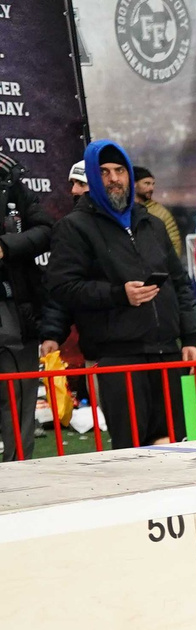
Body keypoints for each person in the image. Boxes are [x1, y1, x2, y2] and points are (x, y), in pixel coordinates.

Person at [46, 140, 196, 448]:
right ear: (92, 177)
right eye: (104, 172)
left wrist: (190, 337)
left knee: (173, 442)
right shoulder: (73, 227)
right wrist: (119, 294)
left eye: (120, 170)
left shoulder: (153, 224)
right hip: (117, 356)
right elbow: (62, 287)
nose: (114, 178)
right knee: (131, 450)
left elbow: (179, 283)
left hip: (167, 353)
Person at [0, 157, 52, 461]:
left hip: (13, 310)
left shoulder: (11, 181)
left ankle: (19, 478)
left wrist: (6, 246)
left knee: (19, 403)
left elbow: (46, 230)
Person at [129, 169, 187, 261]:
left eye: (153, 184)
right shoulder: (123, 211)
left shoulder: (161, 213)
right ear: (134, 184)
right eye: (147, 183)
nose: (151, 188)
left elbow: (174, 244)